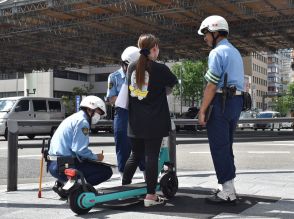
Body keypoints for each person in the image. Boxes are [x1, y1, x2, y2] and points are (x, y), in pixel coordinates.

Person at [122, 34, 178, 207]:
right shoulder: (160, 69)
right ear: (154, 49)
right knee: (151, 156)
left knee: (135, 154)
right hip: (154, 122)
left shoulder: (131, 67)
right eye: (158, 48)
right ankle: (151, 196)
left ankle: (125, 187)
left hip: (135, 122)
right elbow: (172, 83)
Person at [197, 15, 244, 204]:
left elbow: (211, 85)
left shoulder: (216, 53)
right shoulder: (235, 52)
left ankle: (227, 191)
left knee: (219, 147)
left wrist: (202, 110)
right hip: (236, 102)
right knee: (227, 146)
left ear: (215, 32)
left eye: (206, 34)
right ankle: (229, 186)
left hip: (221, 102)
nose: (205, 38)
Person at [48, 95, 113, 197]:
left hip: (53, 164)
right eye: (98, 112)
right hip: (66, 165)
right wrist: (97, 157)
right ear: (89, 109)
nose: (99, 116)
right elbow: (79, 150)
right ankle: (79, 188)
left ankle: (65, 184)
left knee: (86, 163)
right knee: (106, 171)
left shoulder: (74, 117)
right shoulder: (83, 122)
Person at [106, 46, 145, 178]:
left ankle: (148, 179)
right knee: (123, 147)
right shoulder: (114, 77)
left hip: (139, 115)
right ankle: (124, 179)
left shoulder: (142, 75)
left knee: (142, 147)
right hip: (122, 114)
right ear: (126, 63)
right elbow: (110, 98)